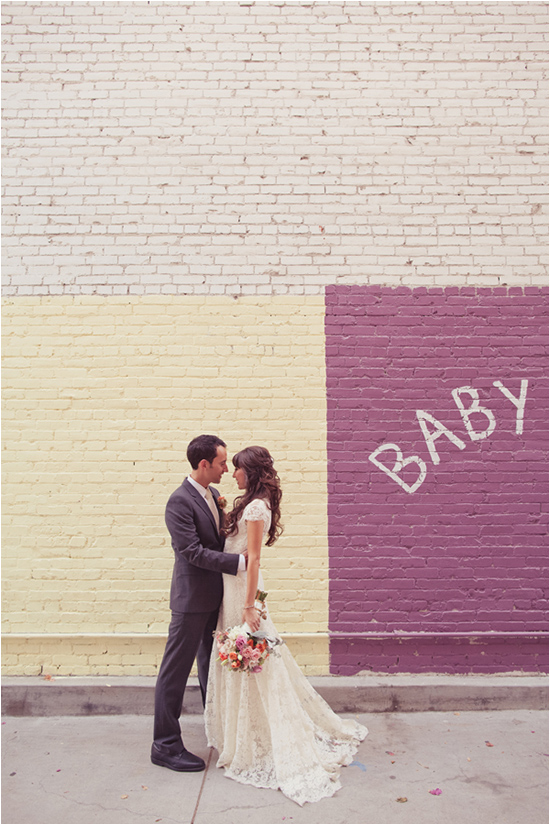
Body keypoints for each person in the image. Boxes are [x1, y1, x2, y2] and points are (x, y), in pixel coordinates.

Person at [205, 446, 368, 806]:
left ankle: (260, 737)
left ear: (251, 471)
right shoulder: (247, 503)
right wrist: (220, 510)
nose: (233, 475)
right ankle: (246, 732)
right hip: (233, 590)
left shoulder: (257, 506)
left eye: (237, 469)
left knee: (256, 661)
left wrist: (249, 606)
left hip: (242, 592)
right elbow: (234, 545)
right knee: (246, 661)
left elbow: (254, 558)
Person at [151, 434, 246, 772]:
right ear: (204, 464)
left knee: (211, 669)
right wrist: (238, 564)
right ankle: (164, 745)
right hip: (191, 600)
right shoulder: (179, 502)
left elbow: (220, 539)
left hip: (214, 597)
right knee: (175, 672)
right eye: (222, 463)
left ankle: (215, 731)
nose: (226, 467)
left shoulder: (215, 495)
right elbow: (190, 552)